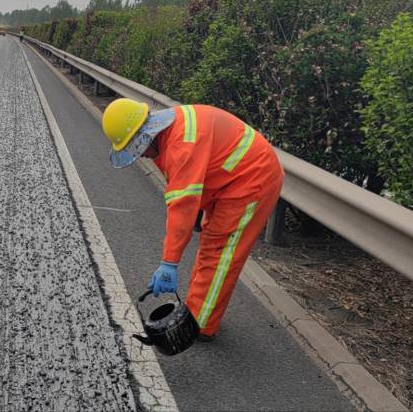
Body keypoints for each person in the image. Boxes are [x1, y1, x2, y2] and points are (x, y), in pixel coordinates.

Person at [102, 98, 284, 340]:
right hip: (229, 180)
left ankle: (199, 326)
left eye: (137, 149)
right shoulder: (167, 133)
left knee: (220, 252)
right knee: (211, 246)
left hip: (251, 180)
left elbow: (182, 206)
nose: (141, 156)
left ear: (145, 135)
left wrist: (169, 262)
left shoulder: (181, 146)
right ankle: (199, 308)